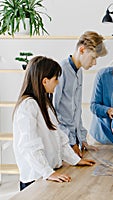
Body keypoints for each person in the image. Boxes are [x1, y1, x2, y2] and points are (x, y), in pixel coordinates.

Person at [12, 56, 96, 191]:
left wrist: (75, 160)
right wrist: (48, 172)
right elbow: (30, 146)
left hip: (48, 174)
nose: (58, 83)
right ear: (44, 81)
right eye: (56, 78)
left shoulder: (44, 103)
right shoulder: (28, 106)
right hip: (35, 178)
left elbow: (59, 136)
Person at [53, 31, 107, 157]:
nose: (94, 63)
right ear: (82, 50)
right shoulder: (61, 70)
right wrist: (71, 142)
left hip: (74, 141)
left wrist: (82, 139)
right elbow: (53, 112)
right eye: (93, 58)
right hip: (64, 141)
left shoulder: (79, 72)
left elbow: (76, 111)